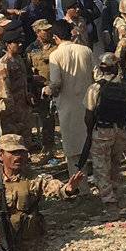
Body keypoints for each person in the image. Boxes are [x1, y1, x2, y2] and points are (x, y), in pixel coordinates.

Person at [78, 51, 126, 205]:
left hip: (102, 130)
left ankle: (108, 199)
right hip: (120, 130)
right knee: (115, 163)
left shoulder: (95, 88)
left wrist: (90, 132)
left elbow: (88, 115)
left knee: (101, 167)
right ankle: (116, 192)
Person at [41, 21, 95, 172]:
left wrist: (46, 90)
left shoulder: (55, 55)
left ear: (56, 37)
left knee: (72, 148)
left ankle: (79, 187)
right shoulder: (86, 51)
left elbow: (56, 84)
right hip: (88, 104)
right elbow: (96, 75)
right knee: (90, 141)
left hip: (68, 106)